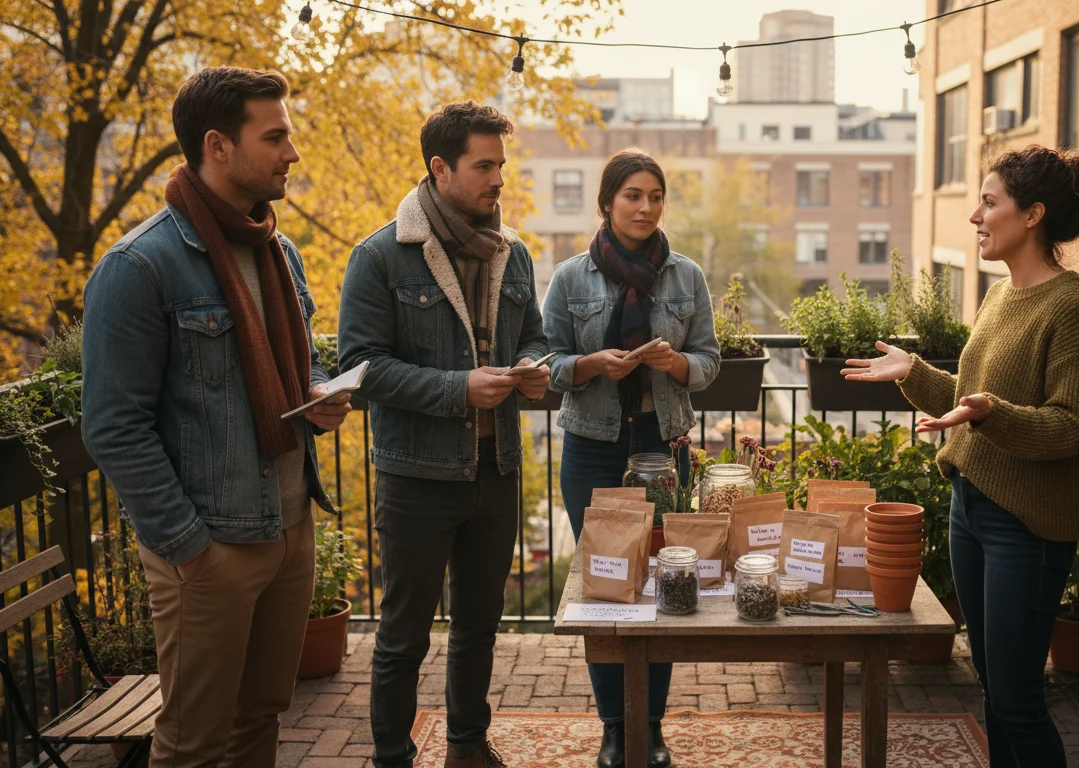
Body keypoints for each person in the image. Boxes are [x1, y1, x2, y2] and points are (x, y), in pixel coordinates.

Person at [81, 67, 352, 767]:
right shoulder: (139, 266)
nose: (291, 152)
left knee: (262, 716)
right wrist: (190, 548)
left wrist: (321, 392)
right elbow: (113, 424)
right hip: (211, 548)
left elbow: (303, 362)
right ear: (218, 146)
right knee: (194, 741)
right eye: (276, 137)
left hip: (289, 528)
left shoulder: (278, 249)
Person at [842, 145, 1079, 768]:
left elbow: (1070, 427)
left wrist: (994, 413)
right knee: (993, 687)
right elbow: (973, 400)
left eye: (990, 203)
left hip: (1029, 526)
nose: (976, 217)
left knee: (1018, 699)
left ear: (1034, 214)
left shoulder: (1072, 309)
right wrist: (915, 373)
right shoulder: (996, 298)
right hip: (972, 508)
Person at [338, 101, 549, 768]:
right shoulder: (378, 256)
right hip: (416, 479)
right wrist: (458, 388)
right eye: (484, 166)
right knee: (403, 637)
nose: (498, 180)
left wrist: (537, 372)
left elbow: (537, 339)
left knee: (479, 628)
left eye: (501, 166)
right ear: (440, 169)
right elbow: (360, 370)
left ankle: (466, 745)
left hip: (498, 470)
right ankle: (391, 757)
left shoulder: (513, 251)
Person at [543, 149, 720, 768]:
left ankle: (652, 725)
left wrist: (677, 365)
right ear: (607, 203)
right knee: (608, 591)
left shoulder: (686, 275)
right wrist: (591, 365)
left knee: (667, 583)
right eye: (633, 196)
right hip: (593, 450)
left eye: (655, 196)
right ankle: (615, 727)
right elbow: (548, 367)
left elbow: (709, 361)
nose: (645, 207)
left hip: (663, 447)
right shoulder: (570, 279)